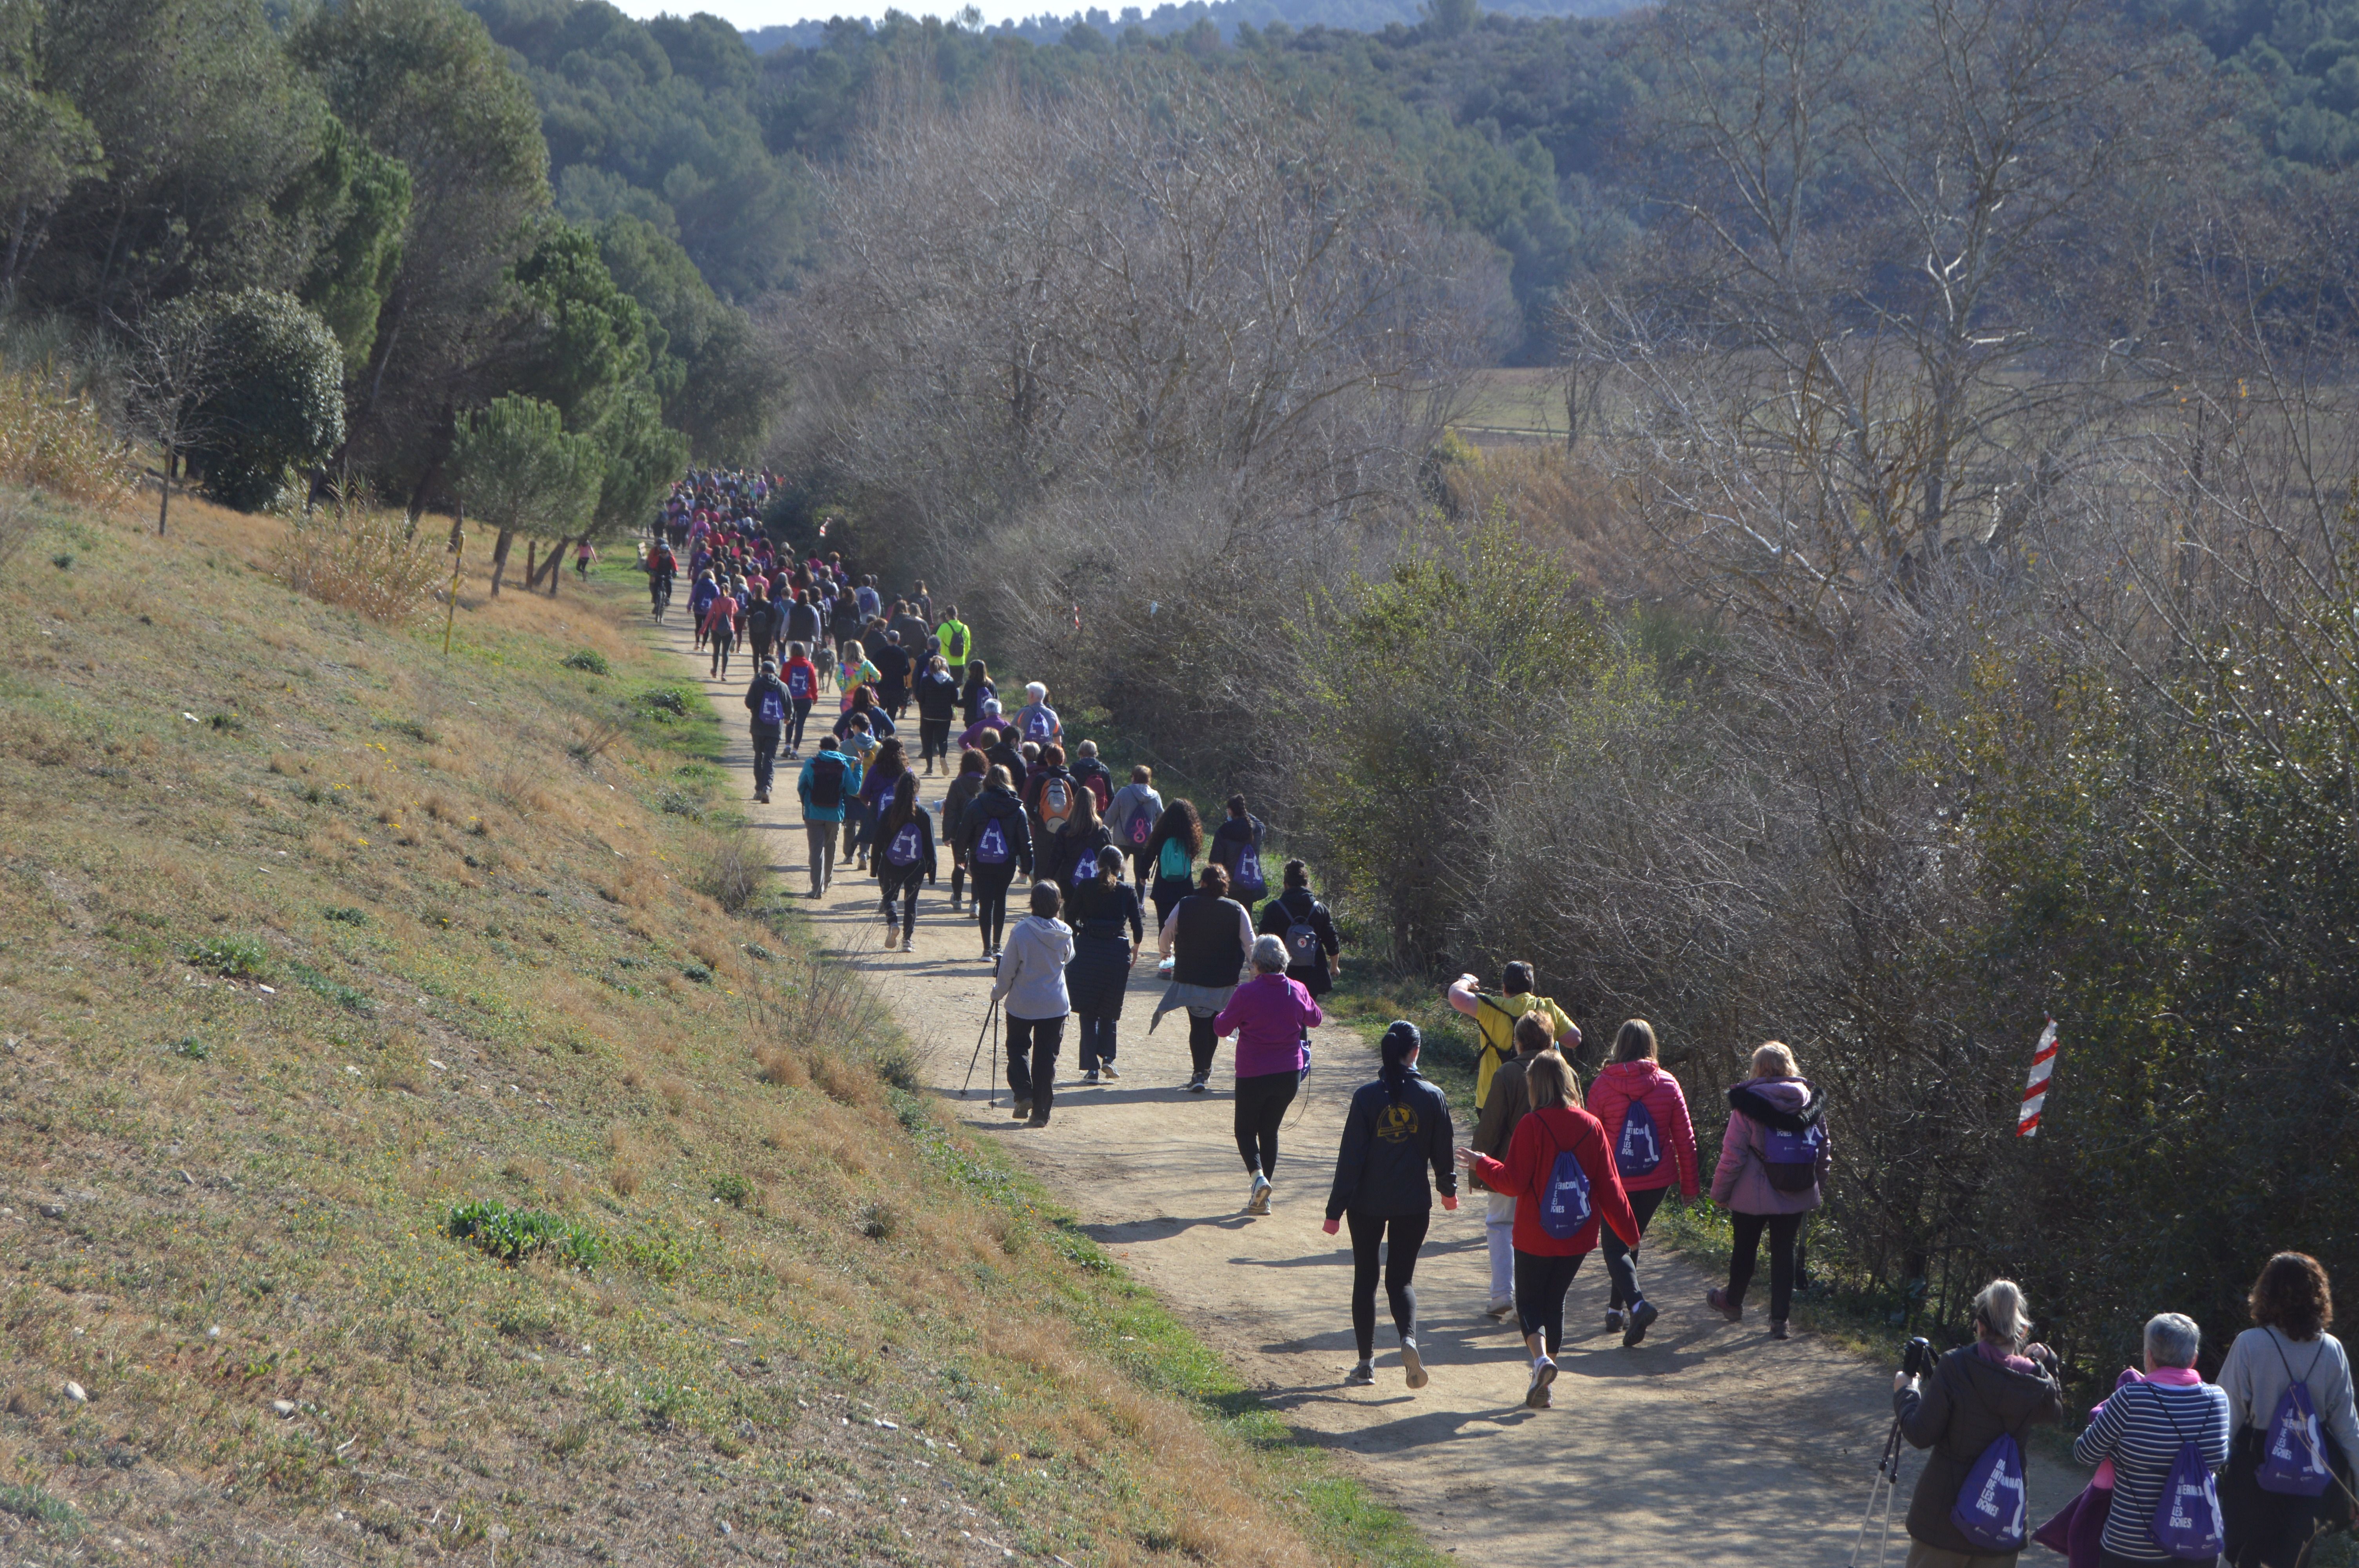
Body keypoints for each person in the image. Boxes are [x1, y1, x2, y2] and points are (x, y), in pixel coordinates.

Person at [1458, 1051, 1641, 1409]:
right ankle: (1546, 1380)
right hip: (1577, 1235)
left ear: (1535, 1085)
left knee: (1528, 1303)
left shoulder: (1532, 1124)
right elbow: (1610, 1186)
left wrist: (1482, 1164)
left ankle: (1541, 1361)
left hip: (1534, 1234)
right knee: (1555, 1303)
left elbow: (1512, 1183)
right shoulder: (1592, 1125)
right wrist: (1629, 1232)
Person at [1892, 1280, 2068, 1568]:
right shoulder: (2035, 1382)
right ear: (2021, 1330)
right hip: (1999, 1524)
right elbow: (2055, 1411)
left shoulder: (1956, 1366)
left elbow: (1920, 1433)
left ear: (1980, 1326)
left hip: (1942, 1521)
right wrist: (2049, 1363)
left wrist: (1906, 1393)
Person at [1324, 1021, 1458, 1391]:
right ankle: (1408, 1340)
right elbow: (1443, 1154)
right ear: (1415, 1052)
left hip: (1366, 1203)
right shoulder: (1433, 1096)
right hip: (1414, 1204)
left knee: (1366, 1278)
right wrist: (1448, 1191)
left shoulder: (1366, 1098)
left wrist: (1334, 1211)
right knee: (1401, 1280)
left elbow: (1350, 1158)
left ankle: (1366, 1365)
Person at [2221, 1253, 2359, 1568]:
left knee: (2246, 1557)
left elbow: (2226, 1419)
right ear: (2318, 1296)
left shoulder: (2250, 1344)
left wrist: (2209, 1473)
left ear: (2265, 1293)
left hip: (2255, 1472)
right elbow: (2347, 1427)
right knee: (2292, 1559)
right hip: (2311, 1474)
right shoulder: (2331, 1349)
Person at [2075, 1313, 2234, 1567]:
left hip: (2130, 1547)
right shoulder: (2217, 1401)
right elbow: (2218, 1459)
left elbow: (2084, 1453)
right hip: (2196, 1545)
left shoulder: (2129, 1399)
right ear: (2193, 1359)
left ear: (2149, 1356)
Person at [1587, 1019, 1701, 1347]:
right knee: (1630, 1239)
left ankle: (1637, 1305)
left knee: (1614, 1246)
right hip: (1655, 1181)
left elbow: (1589, 1138)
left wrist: (1585, 1183)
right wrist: (1690, 1187)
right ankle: (1614, 1309)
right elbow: (1685, 1139)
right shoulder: (1667, 1084)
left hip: (1615, 1180)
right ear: (1652, 1046)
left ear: (1619, 1045)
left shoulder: (1603, 1086)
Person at [1707, 1041, 1830, 1341]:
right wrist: (1816, 1186)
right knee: (1783, 1252)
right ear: (1790, 1067)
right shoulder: (1810, 1103)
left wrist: (1720, 1193)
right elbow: (1823, 1150)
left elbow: (1733, 1156)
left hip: (1752, 1194)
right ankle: (1780, 1321)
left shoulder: (1747, 1103)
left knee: (1745, 1248)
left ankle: (1733, 1303)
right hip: (1796, 1190)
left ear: (1757, 1068)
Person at [1216, 935, 1322, 1214]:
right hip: (1289, 1074)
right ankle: (1264, 1198)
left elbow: (1221, 1029)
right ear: (1283, 962)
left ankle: (1258, 1179)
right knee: (1270, 1131)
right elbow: (1316, 1018)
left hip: (1253, 1073)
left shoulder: (1246, 993)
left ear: (1258, 964)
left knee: (1244, 1130)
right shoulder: (1297, 989)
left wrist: (1219, 1015)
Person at [1468, 1011, 1557, 1322]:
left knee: (1501, 1225)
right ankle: (1531, 1300)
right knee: (1539, 1232)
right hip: (1552, 1171)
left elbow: (1491, 1125)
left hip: (1507, 1166)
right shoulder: (1566, 1074)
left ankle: (1502, 1294)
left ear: (1517, 1043)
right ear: (1551, 1042)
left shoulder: (1507, 1074)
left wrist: (1478, 1170)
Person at [1154, 864, 1254, 1093]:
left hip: (1191, 976)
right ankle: (1205, 1069)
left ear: (1202, 883)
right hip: (1224, 980)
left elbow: (1167, 932)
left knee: (1198, 1024)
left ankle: (1199, 1071)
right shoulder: (1237, 910)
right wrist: (1255, 971)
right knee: (1215, 1024)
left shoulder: (1185, 904)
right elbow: (1251, 944)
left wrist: (1165, 953)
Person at [989, 882, 1074, 1127]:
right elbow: (1069, 958)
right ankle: (1041, 1113)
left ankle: (1024, 1094)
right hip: (1055, 1005)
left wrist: (997, 994)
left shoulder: (1021, 932)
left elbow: (1007, 971)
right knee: (1046, 1059)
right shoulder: (1065, 932)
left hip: (1022, 1004)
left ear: (1032, 904)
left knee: (1017, 1049)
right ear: (1058, 905)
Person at [1447, 963, 1581, 1113]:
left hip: (1492, 1098)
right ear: (1531, 988)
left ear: (1505, 988)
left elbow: (1456, 996)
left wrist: (1466, 980)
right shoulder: (1547, 1007)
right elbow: (1575, 1039)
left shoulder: (1491, 1006)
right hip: (1539, 1098)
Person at [1063, 846, 1143, 1085]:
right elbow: (1137, 927)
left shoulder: (1086, 886)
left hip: (1087, 952)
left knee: (1088, 1011)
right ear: (1121, 868)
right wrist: (1135, 949)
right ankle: (1108, 1057)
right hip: (1116, 954)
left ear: (1097, 864)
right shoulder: (1128, 891)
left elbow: (1069, 918)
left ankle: (1091, 1069)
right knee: (1110, 1008)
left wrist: (1083, 933)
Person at [958, 764, 1033, 960]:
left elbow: (963, 834)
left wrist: (960, 857)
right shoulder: (1017, 809)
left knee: (985, 901)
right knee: (1001, 900)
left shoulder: (976, 805)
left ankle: (986, 949)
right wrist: (1027, 866)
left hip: (980, 860)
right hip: (1005, 862)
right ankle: (998, 945)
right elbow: (1025, 841)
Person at [871, 772, 936, 951]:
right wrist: (932, 871)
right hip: (916, 864)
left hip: (891, 863)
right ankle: (907, 941)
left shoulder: (889, 811)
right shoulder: (923, 813)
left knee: (890, 896)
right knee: (911, 901)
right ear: (917, 790)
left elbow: (878, 841)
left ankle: (893, 923)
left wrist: (875, 866)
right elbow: (930, 845)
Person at [1256, 859, 1340, 997]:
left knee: (1283, 1011)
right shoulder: (1320, 909)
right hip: (1313, 973)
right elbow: (1332, 940)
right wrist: (1334, 966)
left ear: (1285, 885)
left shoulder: (1274, 908)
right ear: (1307, 885)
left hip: (1282, 972)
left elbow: (1264, 942)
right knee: (1306, 1013)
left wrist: (1259, 970)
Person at [795, 737, 851, 898]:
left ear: (821, 748)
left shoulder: (811, 763)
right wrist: (858, 769)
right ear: (837, 749)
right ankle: (828, 881)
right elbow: (853, 789)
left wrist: (807, 801)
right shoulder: (844, 765)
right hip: (835, 814)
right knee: (830, 846)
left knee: (816, 850)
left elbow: (801, 786)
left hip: (814, 813)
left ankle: (816, 889)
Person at [941, 748, 989, 912]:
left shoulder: (957, 784)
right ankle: (975, 903)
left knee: (959, 864)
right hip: (980, 832)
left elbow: (950, 811)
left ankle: (957, 898)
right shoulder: (988, 784)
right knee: (976, 867)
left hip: (958, 832)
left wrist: (947, 834)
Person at [1144, 799, 1204, 930]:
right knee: (1181, 929)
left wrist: (1143, 874)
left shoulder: (1161, 834)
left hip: (1163, 888)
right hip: (1184, 888)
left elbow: (1149, 854)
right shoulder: (1191, 837)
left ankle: (1165, 951)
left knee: (1164, 927)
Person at [1042, 783, 1113, 894]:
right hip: (1095, 882)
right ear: (1094, 804)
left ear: (1075, 804)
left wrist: (1046, 880)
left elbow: (1055, 859)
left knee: (1071, 911)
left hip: (1069, 880)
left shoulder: (1064, 829)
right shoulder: (1102, 831)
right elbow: (1110, 859)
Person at [854, 737, 910, 872]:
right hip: (899, 811)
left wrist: (870, 805)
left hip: (877, 809)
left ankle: (869, 860)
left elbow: (864, 794)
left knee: (875, 838)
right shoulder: (906, 770)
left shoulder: (876, 769)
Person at [1208, 795, 1270, 907]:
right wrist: (1245, 814)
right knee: (1246, 921)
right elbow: (1261, 825)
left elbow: (1215, 861)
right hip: (1249, 885)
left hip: (1230, 887)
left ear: (1230, 811)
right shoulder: (1256, 830)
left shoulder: (1223, 831)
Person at [1107, 765, 1165, 886]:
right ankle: (1140, 902)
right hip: (1144, 841)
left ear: (1134, 777)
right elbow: (1162, 819)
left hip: (1122, 840)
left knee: (1119, 870)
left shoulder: (1124, 793)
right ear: (1149, 779)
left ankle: (1119, 896)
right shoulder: (1155, 797)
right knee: (1141, 873)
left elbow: (1111, 815)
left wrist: (1102, 831)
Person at [742, 657, 789, 805]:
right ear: (775, 672)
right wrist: (787, 718)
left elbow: (749, 703)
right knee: (770, 758)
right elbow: (789, 707)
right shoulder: (782, 686)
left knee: (758, 755)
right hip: (775, 728)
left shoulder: (756, 684)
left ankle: (758, 789)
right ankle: (767, 787)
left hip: (758, 727)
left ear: (762, 671)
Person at [1025, 743, 1081, 849]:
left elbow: (1029, 805)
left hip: (1044, 828)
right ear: (1063, 760)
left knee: (1042, 863)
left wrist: (1038, 821)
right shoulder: (1071, 780)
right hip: (1067, 829)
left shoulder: (1040, 779)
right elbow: (1079, 806)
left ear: (1047, 760)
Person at [914, 654, 961, 773]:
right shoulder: (950, 681)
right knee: (943, 740)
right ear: (944, 667)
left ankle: (929, 767)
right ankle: (943, 757)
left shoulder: (926, 680)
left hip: (928, 715)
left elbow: (920, 698)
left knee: (928, 741)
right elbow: (954, 700)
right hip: (945, 716)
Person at [780, 642, 819, 755]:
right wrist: (815, 696)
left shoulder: (787, 665)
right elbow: (813, 683)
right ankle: (795, 751)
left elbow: (783, 682)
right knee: (800, 725)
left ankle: (787, 746)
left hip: (791, 699)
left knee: (790, 722)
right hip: (806, 699)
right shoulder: (809, 665)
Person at [871, 628, 913, 720]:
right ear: (898, 640)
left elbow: (872, 668)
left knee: (880, 712)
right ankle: (889, 732)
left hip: (882, 686)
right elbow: (907, 671)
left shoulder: (880, 653)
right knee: (892, 714)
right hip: (897, 687)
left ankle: (879, 732)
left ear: (888, 639)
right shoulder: (903, 653)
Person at [704, 580, 740, 677]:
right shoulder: (732, 601)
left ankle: (715, 671)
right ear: (728, 591)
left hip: (716, 628)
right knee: (726, 652)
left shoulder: (716, 601)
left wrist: (703, 629)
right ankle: (723, 673)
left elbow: (710, 615)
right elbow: (736, 611)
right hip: (729, 629)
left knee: (716, 651)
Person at [1069, 739, 1114, 813]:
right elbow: (1111, 795)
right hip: (1099, 813)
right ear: (1095, 753)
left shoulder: (1074, 769)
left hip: (1079, 813)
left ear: (1080, 753)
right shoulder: (1104, 770)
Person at [1015, 681, 1061, 748]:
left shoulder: (1022, 712)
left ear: (1032, 695)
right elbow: (1058, 741)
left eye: (1028, 694)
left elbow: (1011, 733)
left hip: (1026, 754)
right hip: (1046, 756)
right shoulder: (1053, 715)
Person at [960, 657, 997, 726]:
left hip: (972, 719)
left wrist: (955, 703)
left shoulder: (970, 683)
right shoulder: (990, 684)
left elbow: (966, 701)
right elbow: (996, 700)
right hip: (987, 719)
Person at [938, 606, 973, 675]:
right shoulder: (965, 628)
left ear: (947, 616)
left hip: (946, 663)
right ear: (957, 614)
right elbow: (967, 647)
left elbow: (936, 643)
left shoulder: (944, 627)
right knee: (958, 685)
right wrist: (963, 658)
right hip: (961, 663)